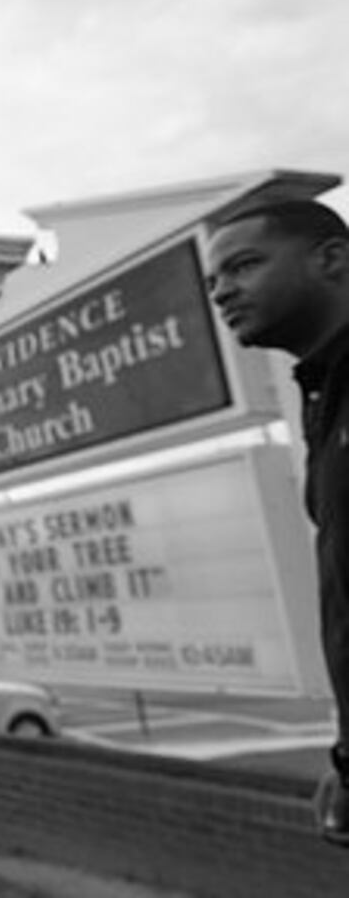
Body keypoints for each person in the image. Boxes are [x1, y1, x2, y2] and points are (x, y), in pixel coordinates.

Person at [204, 198, 349, 846]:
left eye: (242, 266)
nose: (222, 293)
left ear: (332, 259)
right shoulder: (322, 398)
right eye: (212, 283)